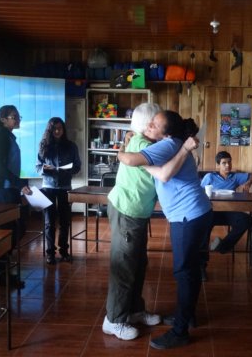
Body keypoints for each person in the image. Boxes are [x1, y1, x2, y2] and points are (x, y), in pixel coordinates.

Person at [118, 110, 212, 350]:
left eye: (155, 124)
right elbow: (162, 173)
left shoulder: (168, 145)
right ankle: (186, 316)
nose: (149, 125)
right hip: (196, 213)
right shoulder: (174, 143)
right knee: (190, 270)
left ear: (166, 132)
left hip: (187, 216)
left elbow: (129, 160)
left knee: (184, 272)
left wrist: (122, 146)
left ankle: (180, 331)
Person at [101, 103, 163, 341]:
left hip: (135, 213)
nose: (162, 126)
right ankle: (113, 320)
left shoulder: (142, 143)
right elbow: (165, 166)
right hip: (127, 211)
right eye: (159, 122)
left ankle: (134, 310)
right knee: (125, 266)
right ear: (150, 126)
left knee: (137, 263)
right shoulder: (143, 146)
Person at [0, 105, 32, 286]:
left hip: (9, 188)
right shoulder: (1, 137)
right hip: (2, 189)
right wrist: (19, 184)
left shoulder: (8, 136)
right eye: (14, 117)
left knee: (17, 228)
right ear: (3, 119)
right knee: (10, 230)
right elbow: (0, 167)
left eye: (18, 116)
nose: (17, 119)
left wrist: (20, 182)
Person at [200, 151, 252, 279]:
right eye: (224, 163)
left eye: (229, 162)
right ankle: (201, 266)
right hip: (210, 211)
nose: (227, 165)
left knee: (246, 220)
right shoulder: (210, 177)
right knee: (202, 230)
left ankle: (224, 246)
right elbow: (199, 192)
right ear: (218, 165)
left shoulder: (236, 176)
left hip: (229, 211)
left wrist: (249, 182)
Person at [36, 117, 81, 265]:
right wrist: (44, 169)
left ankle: (64, 251)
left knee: (65, 221)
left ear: (63, 130)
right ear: (50, 130)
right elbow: (37, 166)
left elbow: (77, 166)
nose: (57, 131)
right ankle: (50, 253)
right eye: (54, 129)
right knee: (49, 222)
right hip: (48, 187)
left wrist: (67, 170)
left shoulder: (71, 146)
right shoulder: (44, 146)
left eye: (60, 128)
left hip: (64, 187)